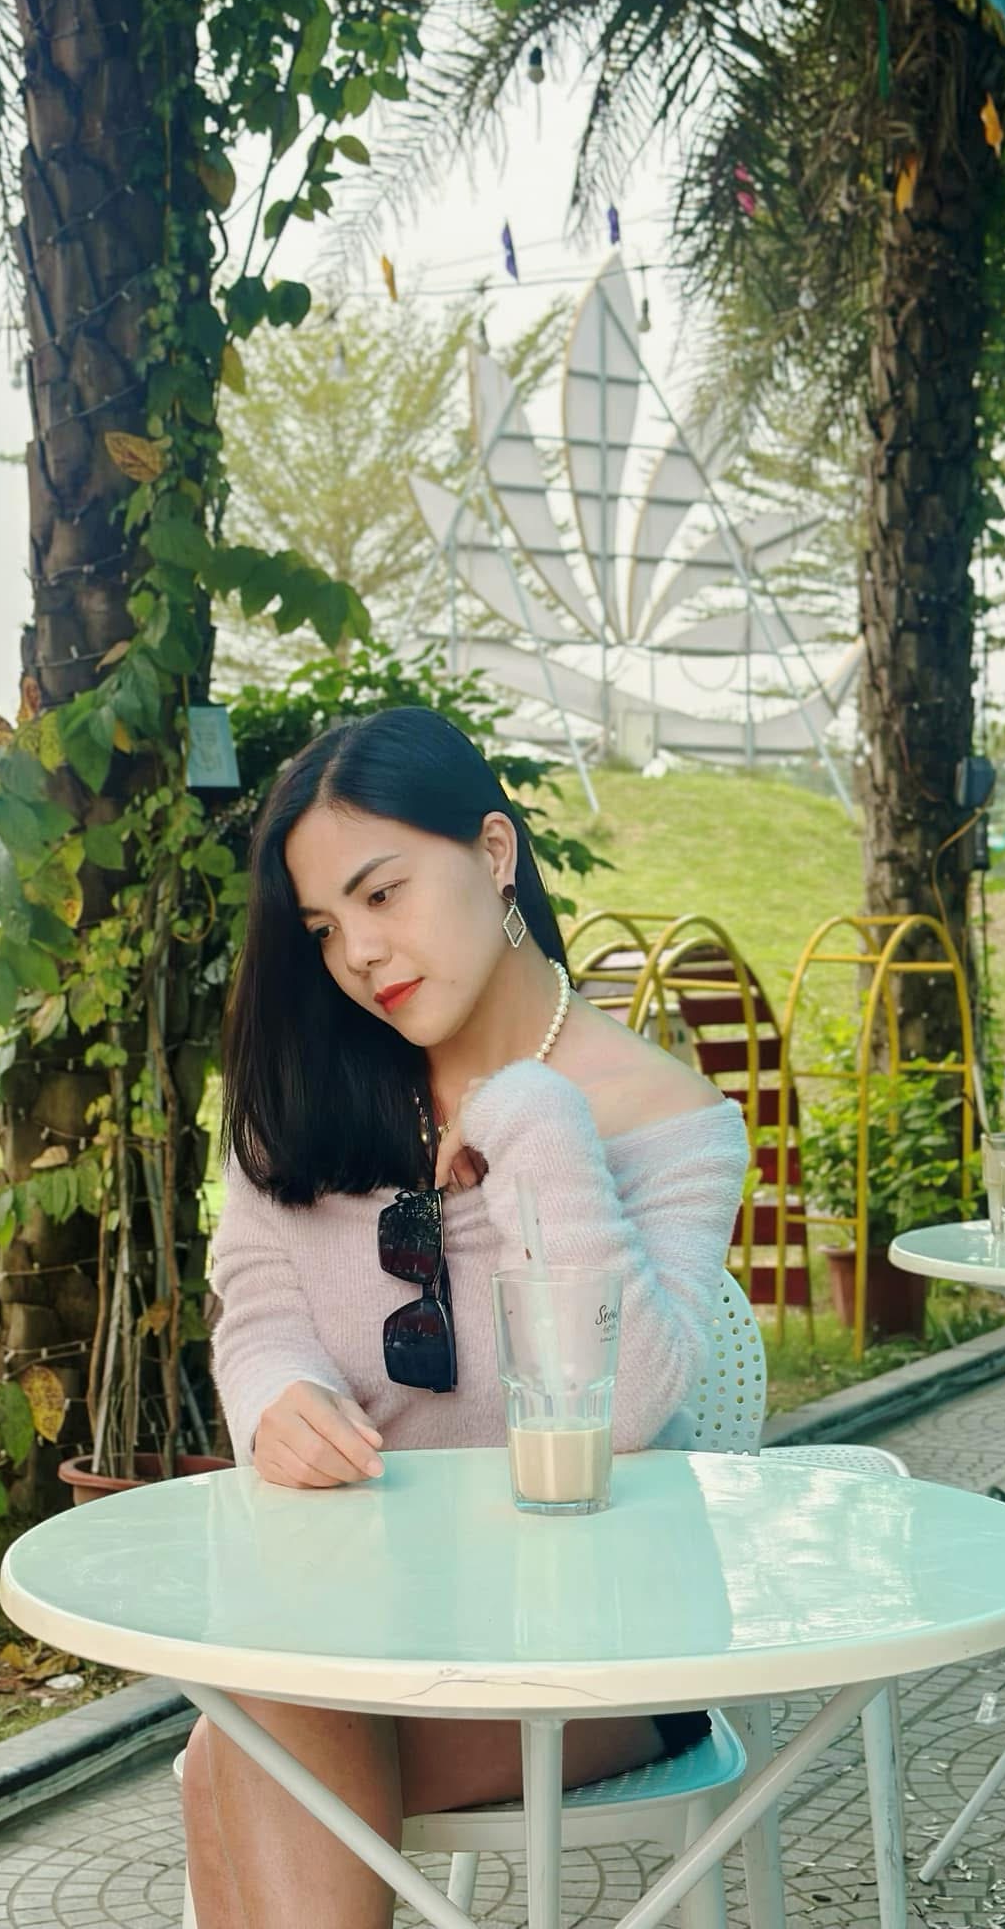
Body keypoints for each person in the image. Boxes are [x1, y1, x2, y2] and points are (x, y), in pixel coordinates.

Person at [182, 707, 750, 1929]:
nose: (359, 953)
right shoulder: (310, 1082)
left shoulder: (674, 1120)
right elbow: (259, 1303)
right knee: (252, 1724)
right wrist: (279, 1396)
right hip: (363, 1616)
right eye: (324, 927)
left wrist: (531, 1114)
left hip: (599, 1635)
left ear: (495, 853)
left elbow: (628, 1401)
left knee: (240, 1743)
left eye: (382, 893)